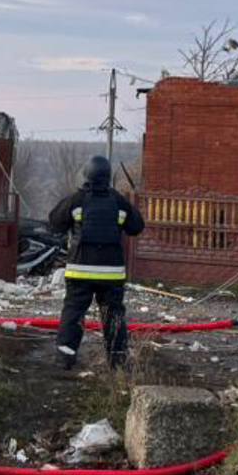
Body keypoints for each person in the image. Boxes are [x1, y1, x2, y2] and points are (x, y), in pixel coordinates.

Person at [48, 155, 144, 369]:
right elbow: (136, 227)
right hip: (111, 274)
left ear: (87, 175)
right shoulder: (119, 201)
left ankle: (65, 357)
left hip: (79, 272)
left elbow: (54, 222)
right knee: (113, 314)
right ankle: (117, 359)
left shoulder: (77, 200)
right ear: (108, 176)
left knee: (73, 312)